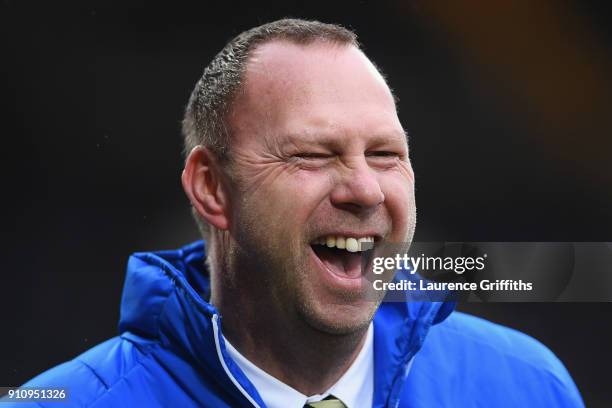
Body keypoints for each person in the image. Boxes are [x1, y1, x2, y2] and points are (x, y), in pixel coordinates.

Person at [11, 19, 583, 407]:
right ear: (211, 188)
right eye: (312, 155)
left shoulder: (527, 386)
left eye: (385, 155)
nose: (365, 190)